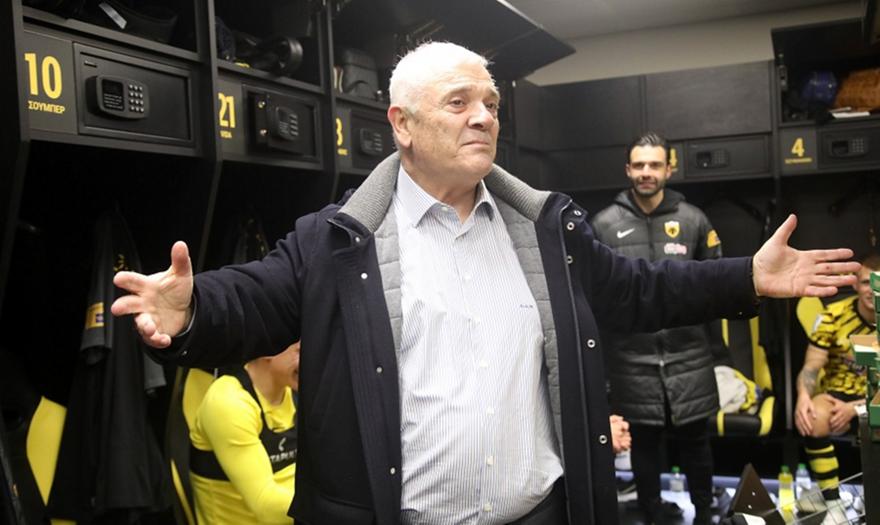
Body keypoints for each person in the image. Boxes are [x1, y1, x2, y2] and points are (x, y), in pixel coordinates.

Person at [110, 42, 859, 525]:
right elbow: (257, 299)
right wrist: (193, 308)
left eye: (492, 104)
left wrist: (747, 277)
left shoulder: (547, 230)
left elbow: (639, 290)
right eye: (459, 103)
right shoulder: (337, 240)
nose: (483, 118)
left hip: (543, 513)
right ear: (402, 124)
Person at [590, 132, 723, 525]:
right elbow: (595, 296)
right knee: (644, 446)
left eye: (654, 164)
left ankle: (704, 514)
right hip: (632, 361)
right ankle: (651, 514)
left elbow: (717, 284)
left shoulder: (693, 220)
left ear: (669, 169)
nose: (646, 172)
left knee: (697, 444)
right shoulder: (604, 225)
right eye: (639, 165)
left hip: (690, 356)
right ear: (628, 169)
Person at [794, 253, 879, 510]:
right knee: (811, 416)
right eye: (865, 282)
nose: (871, 290)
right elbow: (811, 367)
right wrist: (803, 397)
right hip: (838, 393)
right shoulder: (833, 315)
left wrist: (855, 408)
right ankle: (833, 504)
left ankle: (873, 499)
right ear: (855, 284)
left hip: (875, 397)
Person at [188, 342, 300, 525]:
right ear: (271, 348)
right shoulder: (228, 402)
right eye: (299, 351)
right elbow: (266, 507)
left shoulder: (295, 392)